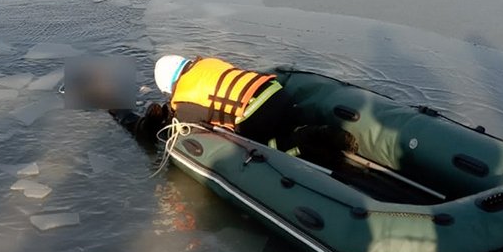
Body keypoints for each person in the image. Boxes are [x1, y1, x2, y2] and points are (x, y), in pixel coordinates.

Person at [151, 55, 358, 162]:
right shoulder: (206, 63)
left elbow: (194, 133)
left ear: (169, 87)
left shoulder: (184, 99)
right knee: (286, 120)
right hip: (275, 90)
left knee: (270, 147)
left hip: (256, 114)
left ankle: (304, 139)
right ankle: (320, 130)